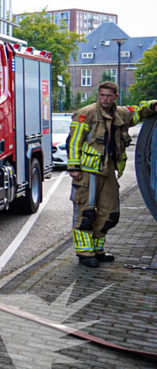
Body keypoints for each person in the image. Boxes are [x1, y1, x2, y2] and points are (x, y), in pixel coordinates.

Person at [67, 81, 157, 267]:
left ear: (116, 97)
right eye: (102, 95)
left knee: (110, 214)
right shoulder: (86, 114)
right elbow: (75, 141)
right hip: (87, 171)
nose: (104, 99)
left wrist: (153, 105)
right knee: (86, 213)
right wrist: (74, 166)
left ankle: (97, 249)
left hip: (108, 169)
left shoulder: (120, 113)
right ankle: (85, 253)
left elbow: (138, 111)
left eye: (109, 96)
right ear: (98, 95)